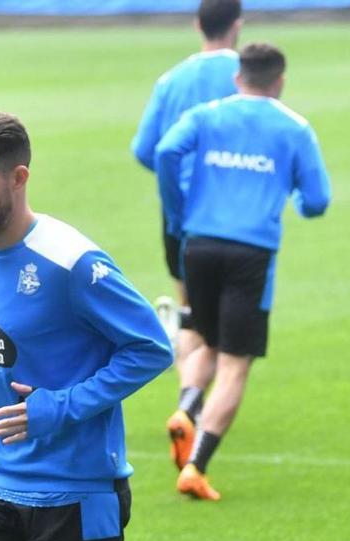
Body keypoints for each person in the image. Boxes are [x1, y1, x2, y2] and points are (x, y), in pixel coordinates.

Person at [0, 112, 173, 541]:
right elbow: (10, 333)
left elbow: (151, 349)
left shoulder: (72, 261)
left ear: (18, 178)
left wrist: (59, 408)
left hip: (78, 490)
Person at [155, 42, 331, 500]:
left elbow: (166, 151)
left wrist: (178, 211)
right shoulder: (294, 127)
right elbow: (317, 202)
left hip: (199, 244)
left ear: (239, 77)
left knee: (207, 339)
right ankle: (196, 465)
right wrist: (288, 193)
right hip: (250, 254)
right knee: (235, 363)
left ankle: (186, 409)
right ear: (280, 82)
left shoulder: (206, 115)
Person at [129, 0, 242, 468]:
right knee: (228, 329)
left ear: (198, 24)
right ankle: (194, 406)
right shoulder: (248, 76)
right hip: (235, 219)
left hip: (180, 218)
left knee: (193, 311)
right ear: (237, 25)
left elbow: (144, 149)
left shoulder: (171, 80)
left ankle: (187, 399)